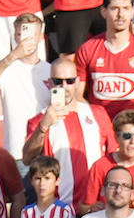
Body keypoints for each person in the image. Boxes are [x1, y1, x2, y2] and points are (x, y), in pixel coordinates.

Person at [21, 56, 115, 208]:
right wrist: (43, 126)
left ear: (77, 82)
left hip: (97, 206)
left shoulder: (98, 113)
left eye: (69, 81)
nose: (64, 87)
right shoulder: (39, 120)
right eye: (58, 82)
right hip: (60, 209)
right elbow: (27, 159)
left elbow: (113, 157)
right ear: (50, 83)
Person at [0, 13, 50, 170]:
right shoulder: (5, 69)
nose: (25, 39)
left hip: (47, 151)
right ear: (15, 36)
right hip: (17, 153)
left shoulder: (50, 70)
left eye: (31, 34)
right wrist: (13, 55)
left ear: (40, 36)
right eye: (20, 34)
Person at [81, 111, 134, 218]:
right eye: (127, 136)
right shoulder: (101, 166)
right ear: (117, 137)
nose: (133, 141)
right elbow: (83, 207)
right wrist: (92, 209)